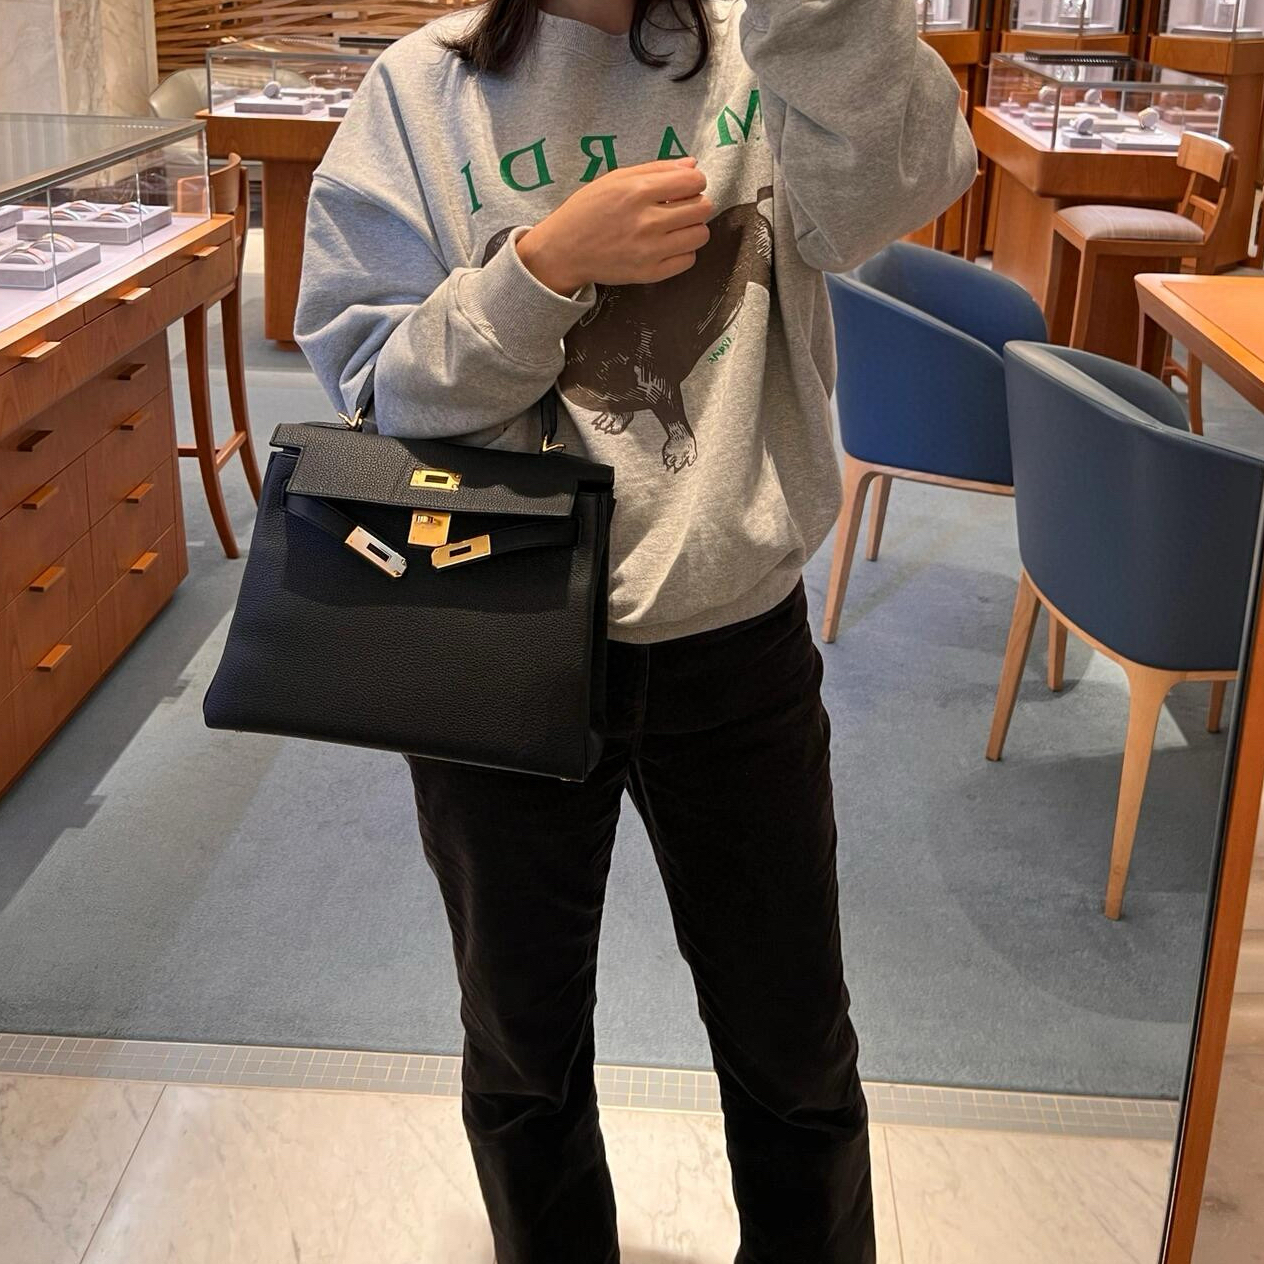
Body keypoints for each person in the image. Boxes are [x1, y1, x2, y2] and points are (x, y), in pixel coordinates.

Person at [295, 2, 974, 1259]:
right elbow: (377, 385)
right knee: (522, 1053)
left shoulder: (770, 46)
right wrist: (543, 268)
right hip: (489, 640)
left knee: (795, 1052)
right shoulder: (421, 91)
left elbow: (898, 187)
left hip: (736, 632)